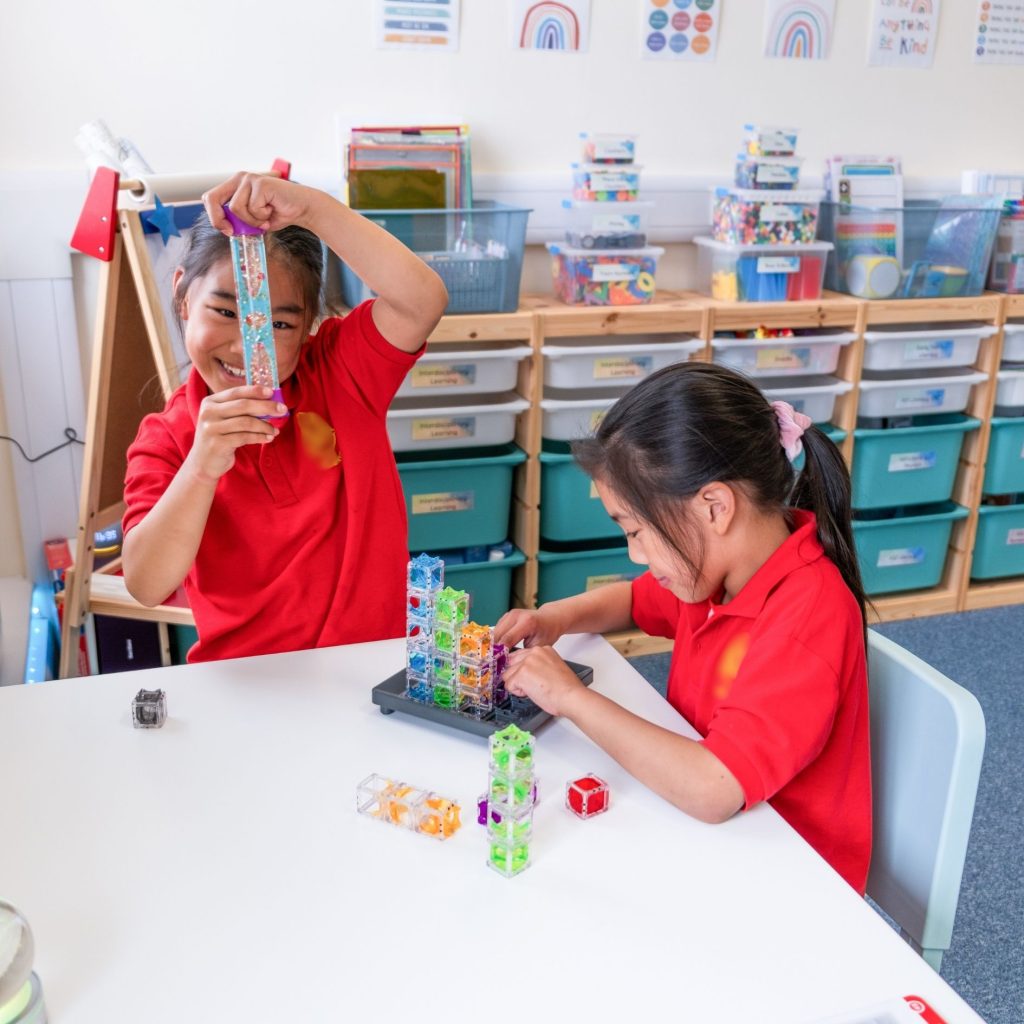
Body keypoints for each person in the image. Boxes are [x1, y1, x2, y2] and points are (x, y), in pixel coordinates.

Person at [496, 362, 872, 892]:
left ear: (714, 506)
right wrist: (553, 617)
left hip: (788, 878)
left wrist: (569, 697)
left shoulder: (808, 614)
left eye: (637, 531)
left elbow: (714, 788)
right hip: (718, 831)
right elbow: (630, 600)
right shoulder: (718, 571)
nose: (635, 555)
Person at [122, 172, 448, 662]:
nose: (247, 346)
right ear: (183, 298)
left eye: (279, 324)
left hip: (373, 670)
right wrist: (201, 467)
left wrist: (313, 208)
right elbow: (146, 584)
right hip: (252, 687)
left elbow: (423, 300)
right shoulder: (167, 439)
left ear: (310, 324)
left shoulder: (340, 373)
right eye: (225, 311)